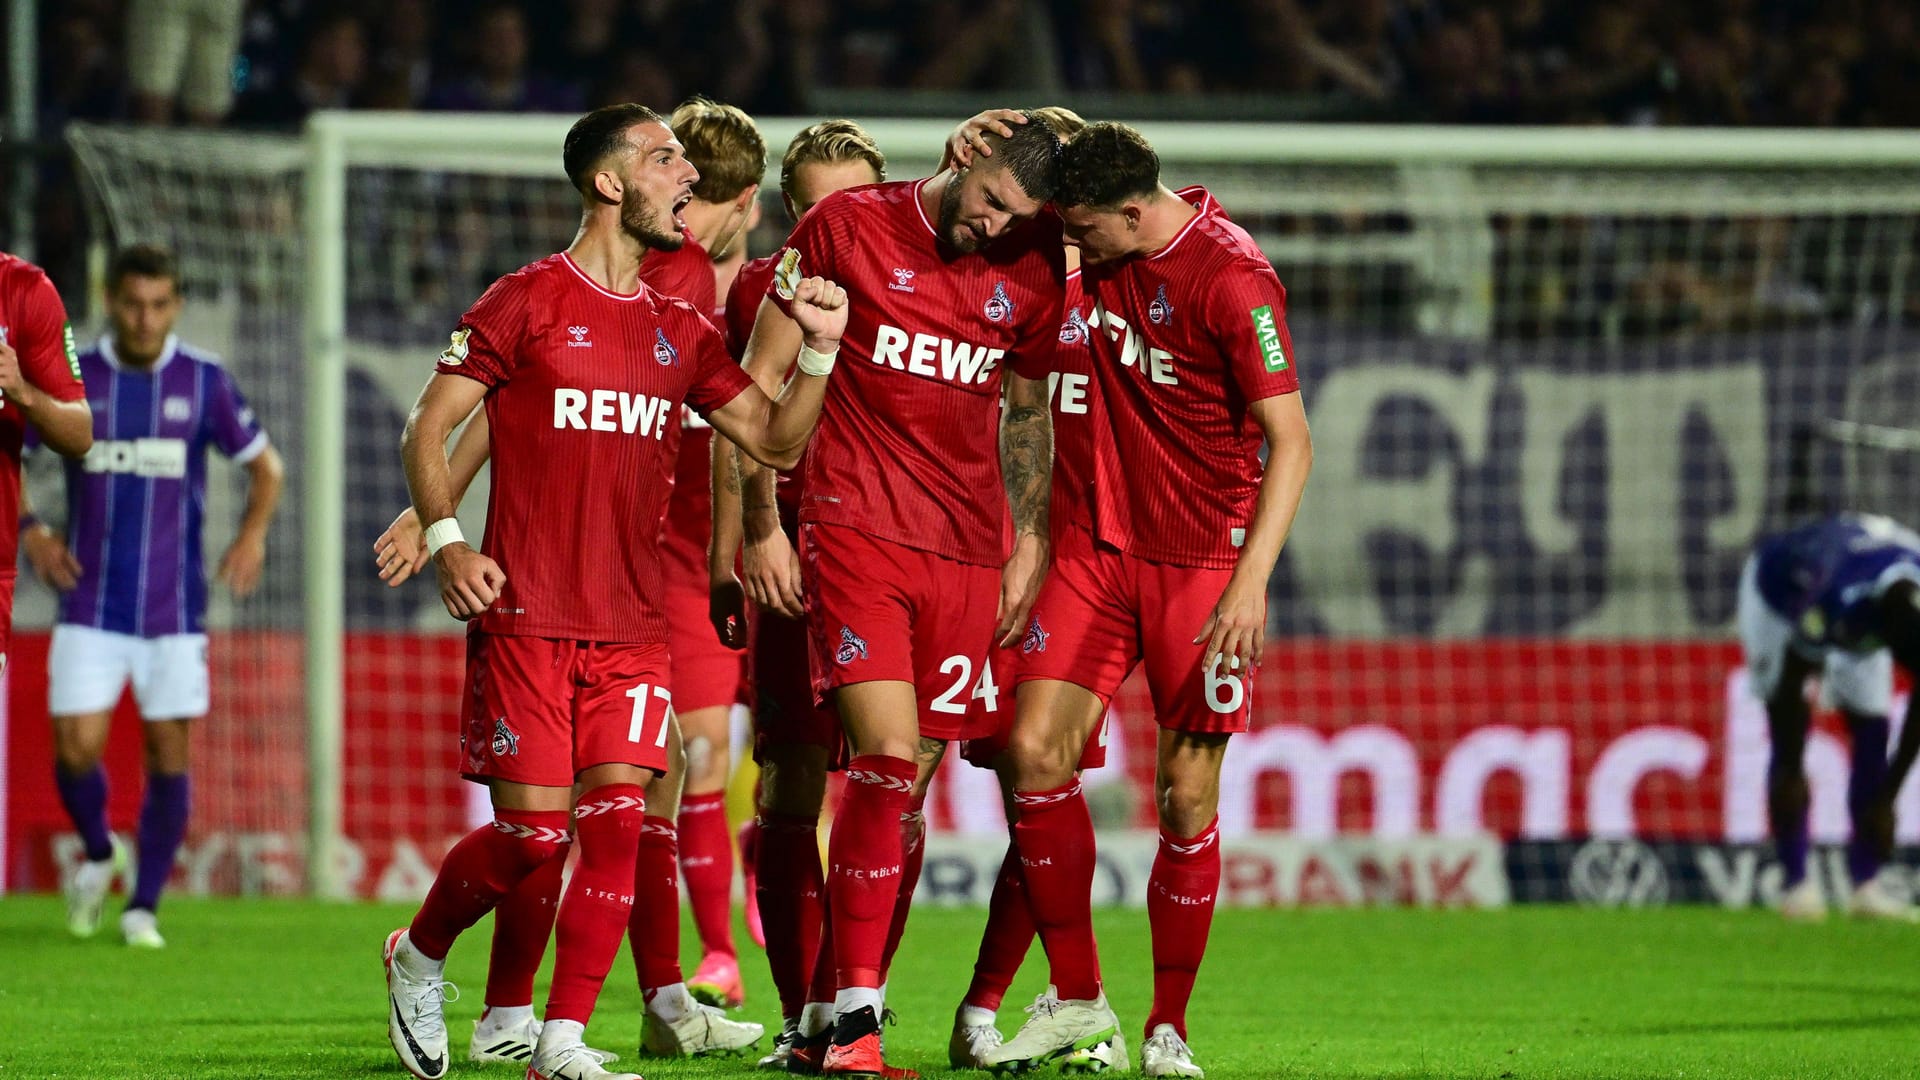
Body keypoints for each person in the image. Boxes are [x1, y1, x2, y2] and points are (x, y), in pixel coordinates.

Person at [379, 102, 845, 1080]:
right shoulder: (526, 300)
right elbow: (432, 426)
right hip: (529, 616)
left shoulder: (680, 325)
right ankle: (418, 953)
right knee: (532, 838)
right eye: (665, 159)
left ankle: (561, 1041)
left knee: (619, 828)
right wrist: (451, 541)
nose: (686, 177)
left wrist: (818, 351)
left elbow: (771, 438)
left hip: (633, 629)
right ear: (607, 182)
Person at [723, 110, 1065, 1077]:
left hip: (964, 551)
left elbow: (1028, 412)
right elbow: (759, 378)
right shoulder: (843, 230)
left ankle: (837, 1014)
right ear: (962, 157)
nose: (997, 227)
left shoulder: (1034, 263)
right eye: (992, 202)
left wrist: (1027, 537)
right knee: (877, 759)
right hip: (854, 530)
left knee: (907, 787)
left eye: (1018, 215)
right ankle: (852, 1028)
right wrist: (761, 526)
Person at [988, 122, 1314, 1078]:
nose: (1073, 249)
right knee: (1031, 750)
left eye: (1086, 233)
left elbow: (1290, 440)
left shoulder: (1232, 278)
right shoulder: (1088, 228)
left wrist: (1250, 585)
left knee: (1185, 793)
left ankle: (1168, 1027)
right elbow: (1055, 141)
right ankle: (1083, 1001)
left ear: (1135, 213)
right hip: (1093, 550)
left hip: (1202, 563)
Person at [29, 246, 283, 949]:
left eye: (160, 303)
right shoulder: (75, 376)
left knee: (168, 754)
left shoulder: (202, 381)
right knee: (76, 749)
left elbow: (267, 467)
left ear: (175, 304)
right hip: (90, 602)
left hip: (174, 610)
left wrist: (252, 536)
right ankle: (102, 852)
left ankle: (143, 907)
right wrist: (31, 529)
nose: (146, 317)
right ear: (111, 299)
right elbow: (14, 452)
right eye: (134, 302)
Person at [706, 118, 890, 1072]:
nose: (836, 224)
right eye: (816, 207)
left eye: (854, 202)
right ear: (789, 213)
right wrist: (740, 548)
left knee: (894, 784)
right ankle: (802, 1016)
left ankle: (860, 1004)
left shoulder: (926, 285)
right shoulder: (756, 291)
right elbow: (738, 426)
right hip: (797, 565)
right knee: (788, 789)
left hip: (905, 569)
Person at [932, 105, 1108, 1072]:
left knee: (1041, 778)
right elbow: (927, 234)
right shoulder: (998, 267)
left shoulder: (1127, 279)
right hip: (980, 547)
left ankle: (985, 1007)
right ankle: (837, 1008)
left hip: (1086, 565)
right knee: (916, 772)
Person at [1738, 512, 1920, 922]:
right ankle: (1797, 884)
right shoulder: (1832, 596)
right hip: (1778, 594)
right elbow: (1794, 680)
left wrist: (1888, 798)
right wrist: (1790, 765)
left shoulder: (1908, 607)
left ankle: (1866, 888)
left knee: (1873, 726)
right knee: (1789, 734)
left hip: (1863, 595)